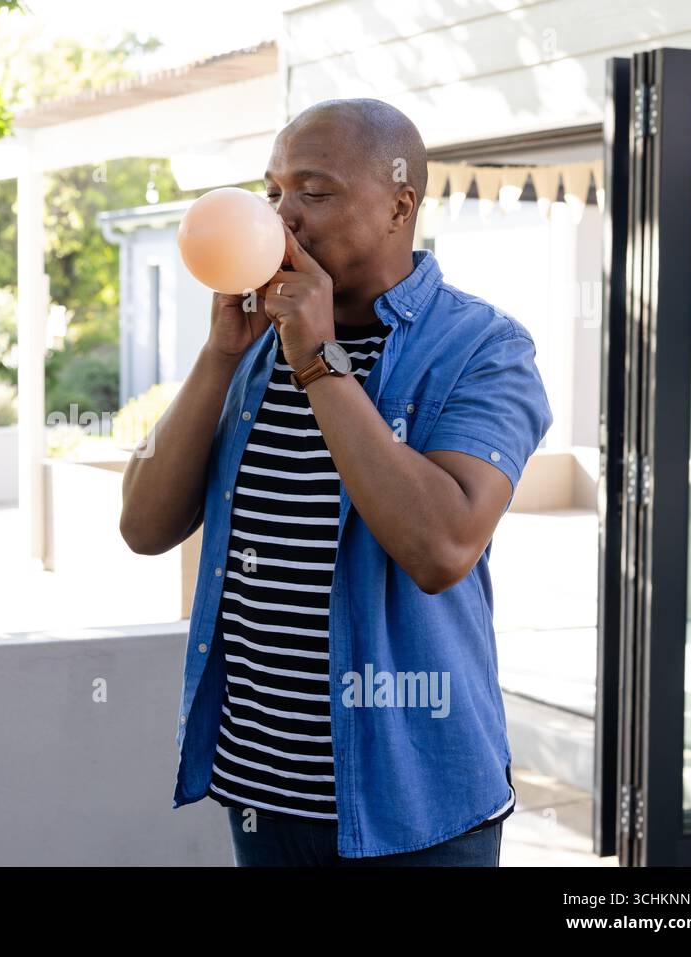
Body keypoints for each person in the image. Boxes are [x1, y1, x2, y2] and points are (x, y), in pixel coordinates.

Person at [120, 98, 554, 866]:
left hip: (417, 812)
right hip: (261, 797)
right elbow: (144, 525)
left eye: (313, 193)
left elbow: (441, 544)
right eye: (273, 191)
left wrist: (320, 361)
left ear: (399, 203)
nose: (283, 218)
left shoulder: (484, 346)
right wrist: (221, 354)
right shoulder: (251, 347)